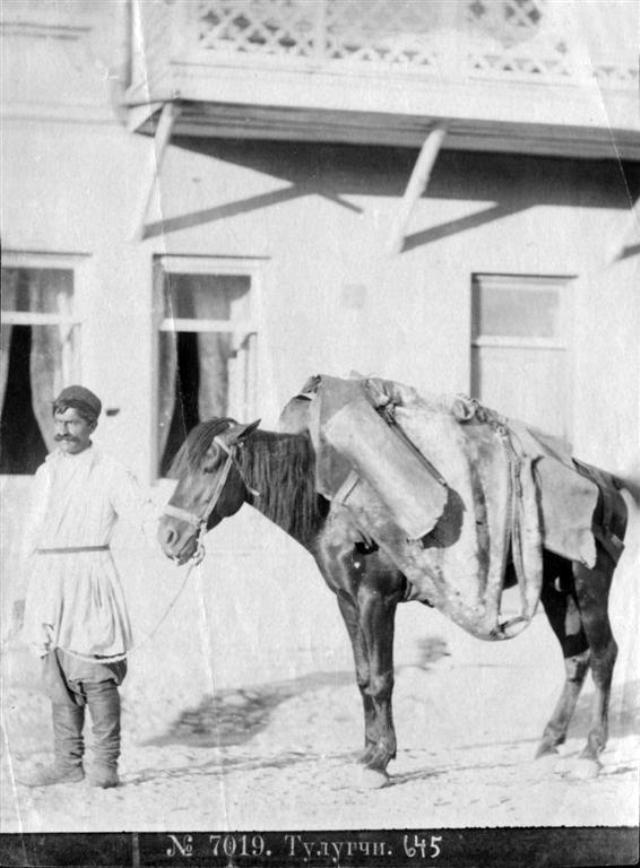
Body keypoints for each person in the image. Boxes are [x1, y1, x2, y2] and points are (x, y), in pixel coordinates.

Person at [20, 385, 157, 788]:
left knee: (95, 672)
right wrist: (21, 589)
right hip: (48, 578)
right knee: (57, 671)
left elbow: (144, 516)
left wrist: (178, 541)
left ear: (92, 425)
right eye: (58, 421)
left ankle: (106, 765)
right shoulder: (46, 472)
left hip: (90, 576)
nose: (63, 430)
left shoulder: (111, 471)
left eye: (73, 422)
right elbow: (30, 533)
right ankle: (67, 763)